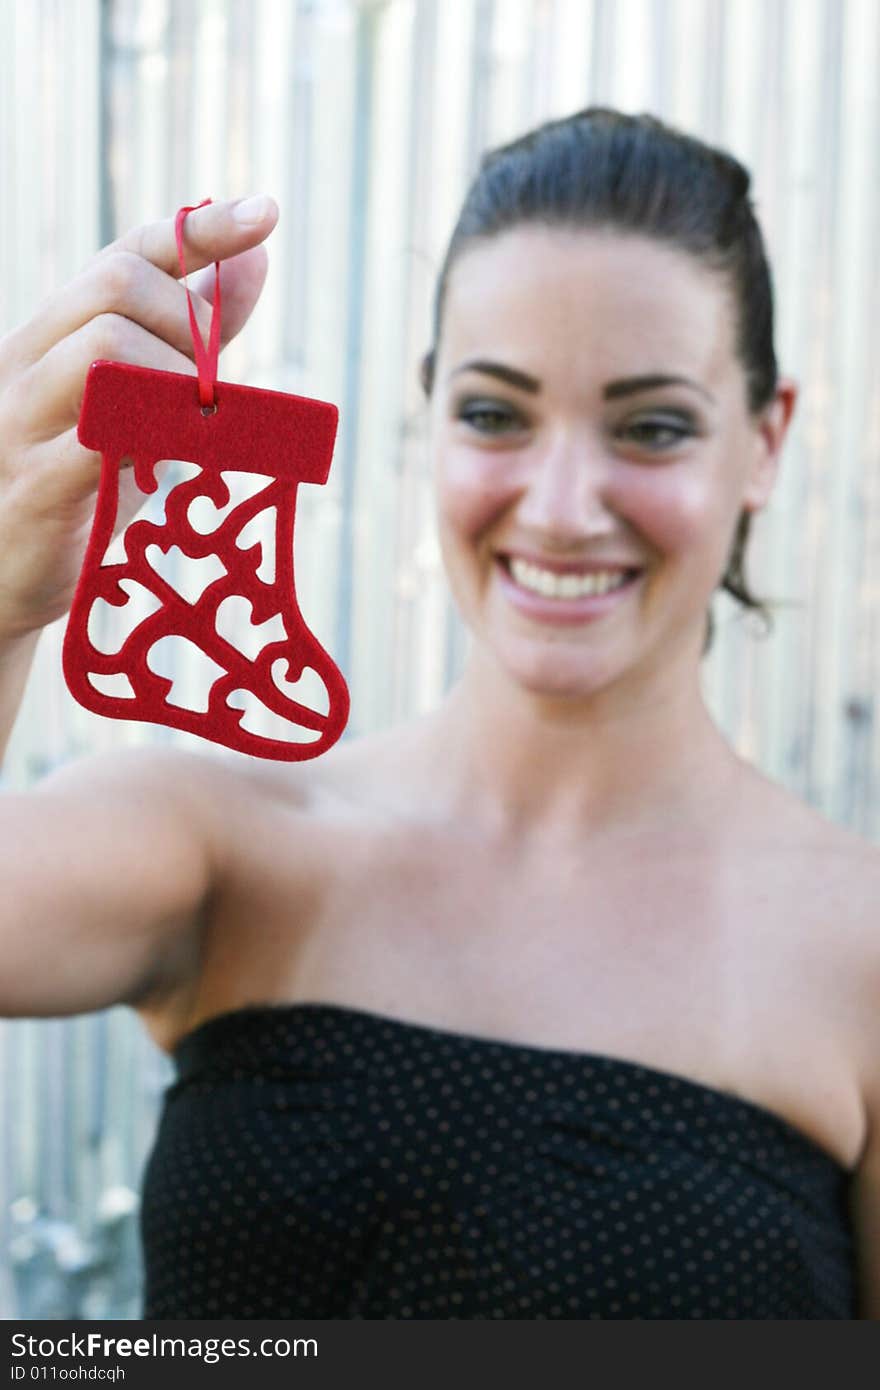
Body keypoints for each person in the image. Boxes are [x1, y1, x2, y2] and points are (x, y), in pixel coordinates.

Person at [1, 107, 877, 1320]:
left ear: (765, 441)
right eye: (494, 413)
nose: (563, 505)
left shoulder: (860, 951)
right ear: (428, 416)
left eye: (653, 426)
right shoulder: (225, 837)